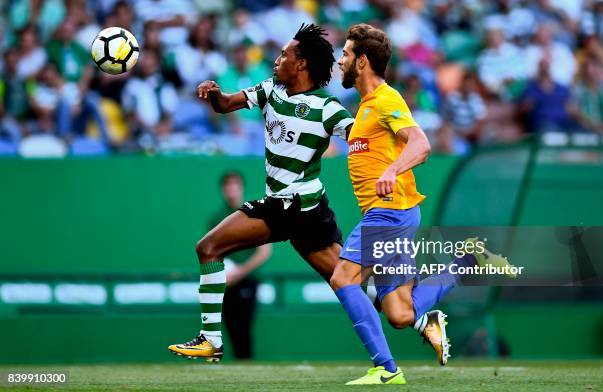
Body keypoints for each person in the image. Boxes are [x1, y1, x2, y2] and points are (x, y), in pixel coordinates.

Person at [332, 24, 514, 385]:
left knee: (343, 277)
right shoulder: (365, 107)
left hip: (391, 212)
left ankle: (385, 369)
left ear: (362, 61)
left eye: (346, 54)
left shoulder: (386, 99)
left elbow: (422, 144)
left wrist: (392, 169)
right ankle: (466, 261)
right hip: (392, 214)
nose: (340, 61)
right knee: (400, 314)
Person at [167, 23, 354, 362]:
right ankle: (418, 317)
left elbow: (360, 141)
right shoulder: (271, 89)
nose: (276, 59)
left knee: (346, 281)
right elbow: (225, 105)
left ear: (301, 65)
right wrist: (214, 93)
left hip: (302, 210)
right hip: (284, 207)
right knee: (209, 248)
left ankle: (415, 314)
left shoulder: (328, 109)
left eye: (284, 55)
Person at [208, 172, 272, 360]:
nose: (231, 190)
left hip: (247, 280)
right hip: (225, 282)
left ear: (241, 188)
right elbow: (211, 250)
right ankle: (237, 369)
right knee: (230, 328)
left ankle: (247, 367)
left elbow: (264, 252)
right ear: (223, 190)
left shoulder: (254, 214)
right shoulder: (217, 217)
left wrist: (239, 273)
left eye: (235, 185)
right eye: (228, 186)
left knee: (244, 327)